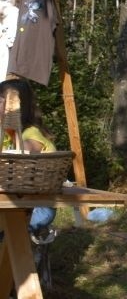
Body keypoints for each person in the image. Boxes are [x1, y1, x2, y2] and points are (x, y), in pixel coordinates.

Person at [0, 78, 57, 234]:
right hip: (15, 203)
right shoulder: (6, 135)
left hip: (37, 207)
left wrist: (12, 120)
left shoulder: (30, 133)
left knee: (8, 234)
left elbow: (21, 155)